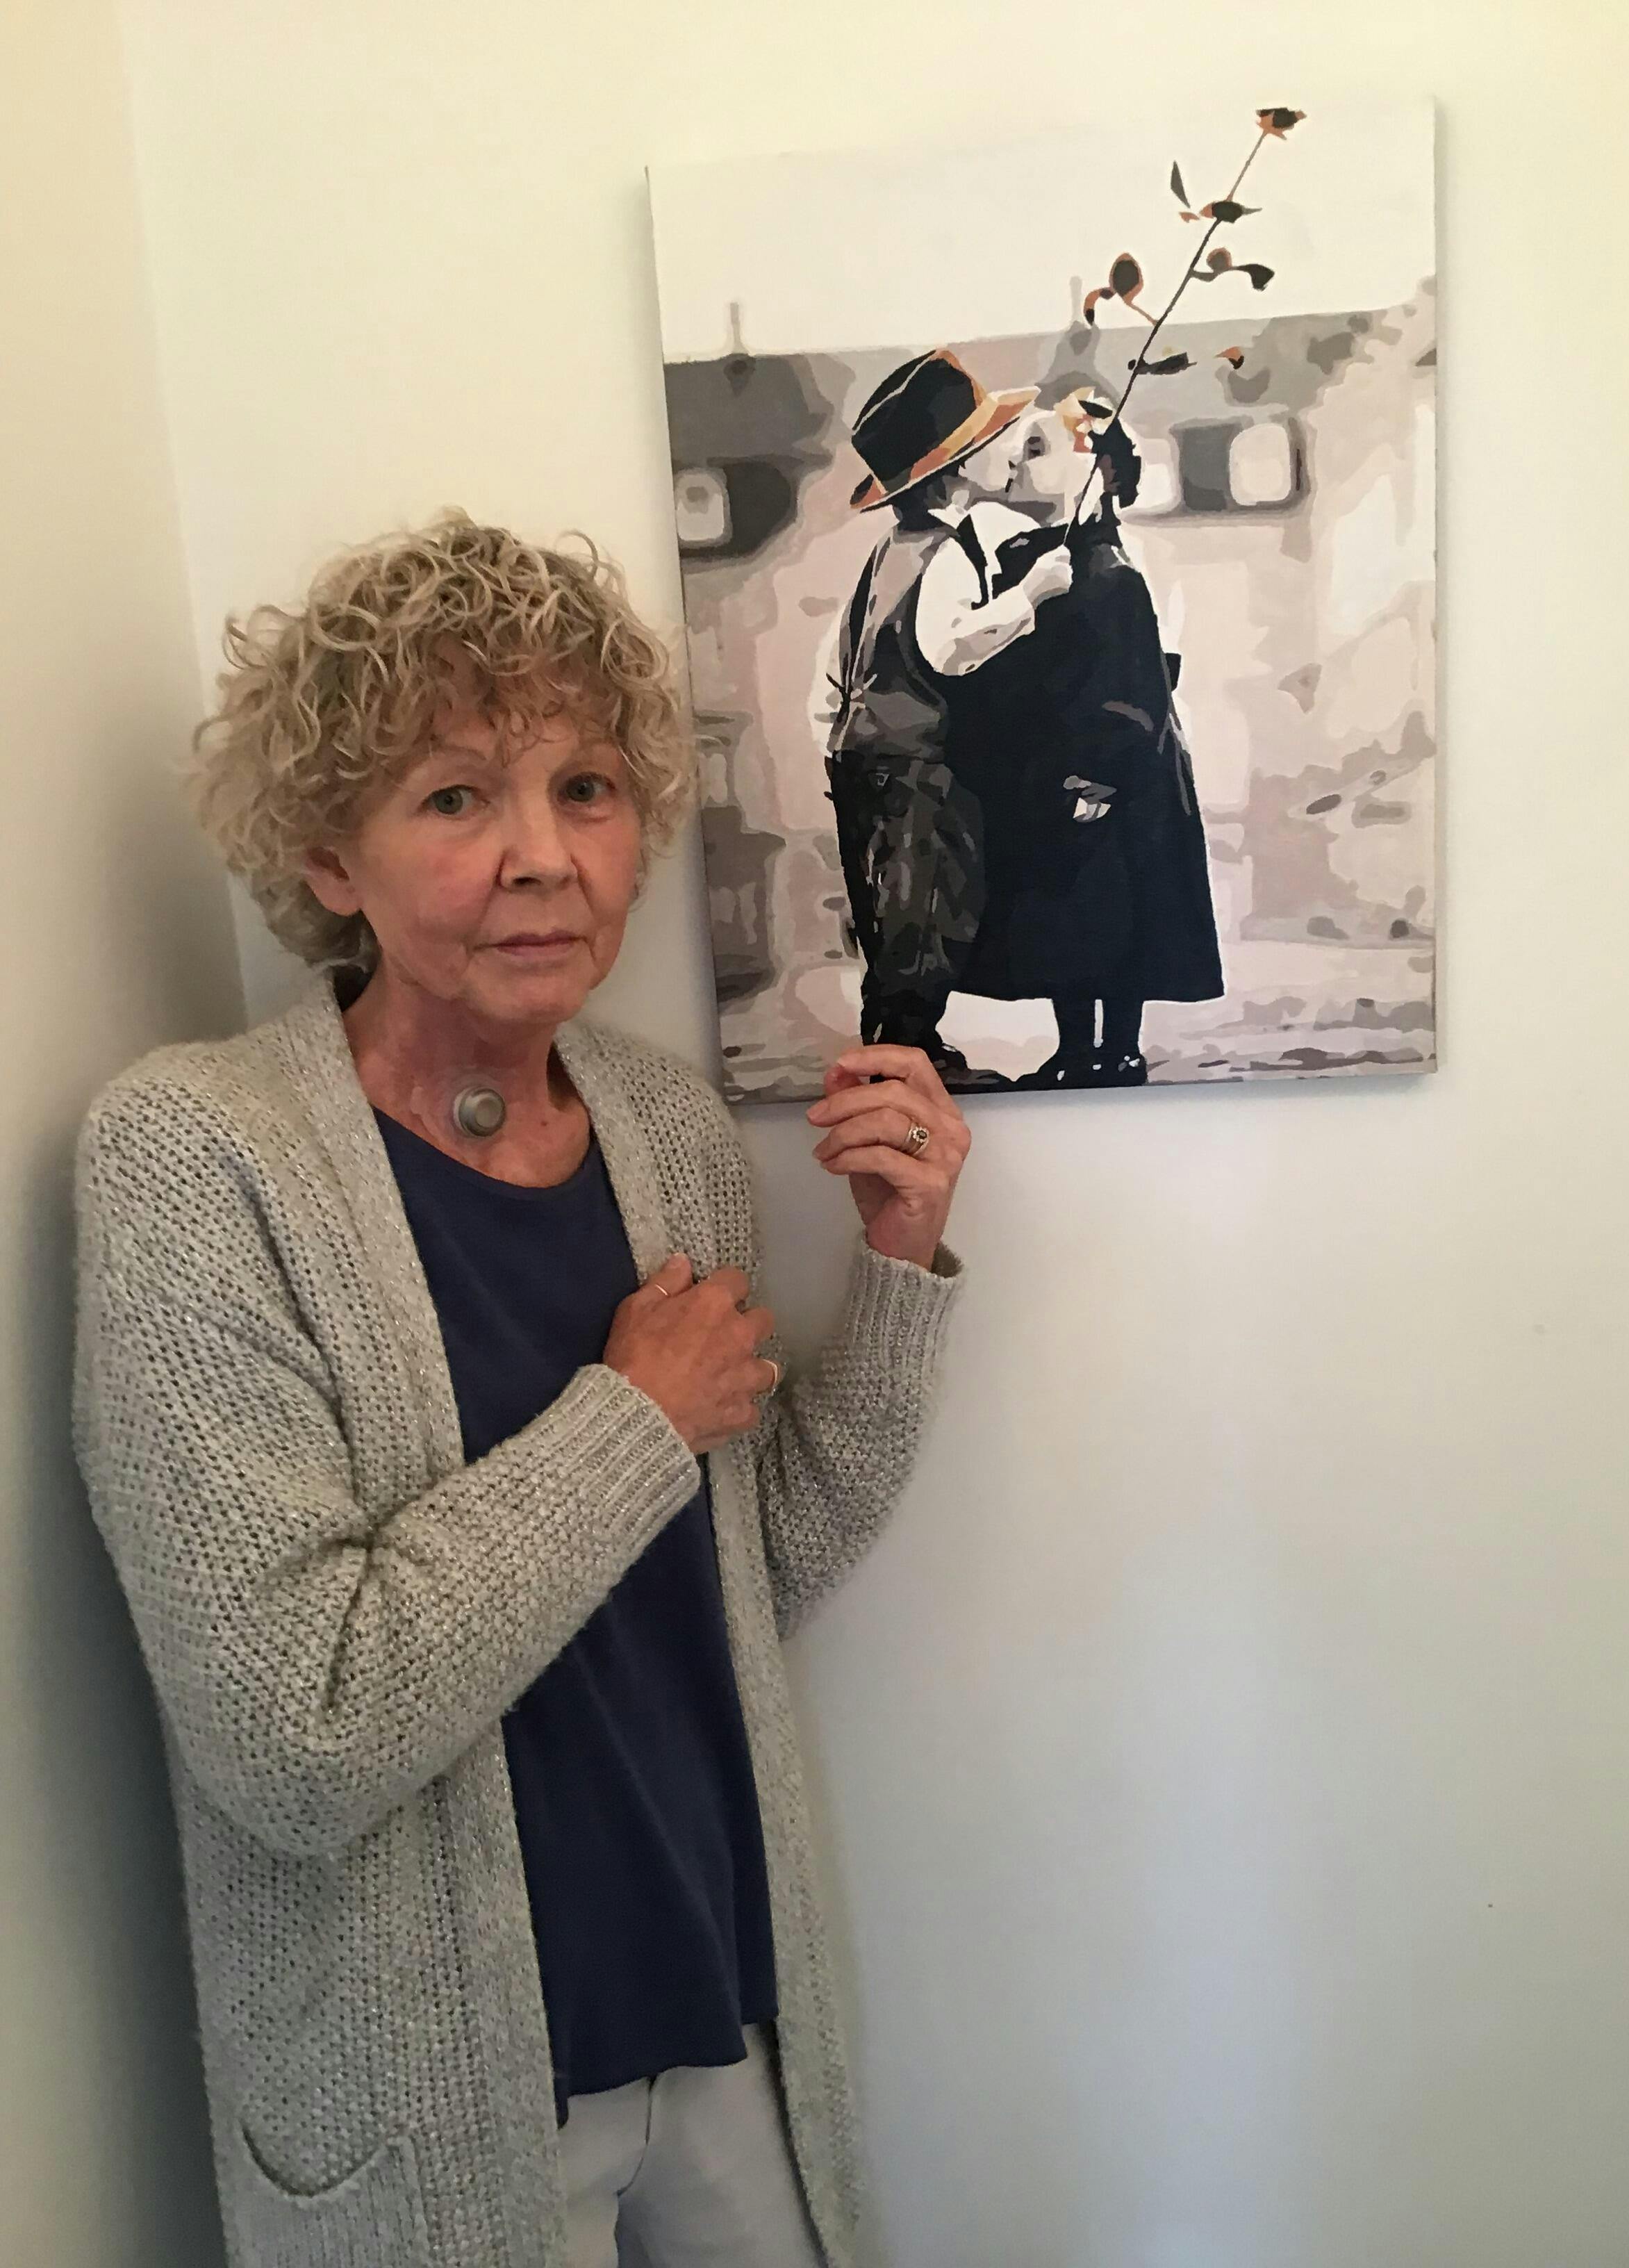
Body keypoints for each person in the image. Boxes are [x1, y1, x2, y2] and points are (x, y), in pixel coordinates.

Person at [71, 511, 972, 2268]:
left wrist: (897, 1262)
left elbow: (750, 1565)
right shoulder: (197, 1156)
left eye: (584, 789)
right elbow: (296, 1729)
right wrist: (632, 1419)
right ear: (330, 857)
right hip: (433, 2082)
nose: (542, 858)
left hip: (716, 1999)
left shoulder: (666, 1134)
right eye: (454, 798)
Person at [816, 348, 1075, 1085]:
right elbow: (949, 649)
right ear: (956, 470)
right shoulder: (946, 551)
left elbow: (839, 665)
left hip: (864, 756)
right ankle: (910, 1056)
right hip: (916, 763)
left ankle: (901, 1046)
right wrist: (1032, 594)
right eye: (990, 440)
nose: (1010, 449)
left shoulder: (888, 551)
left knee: (889, 910)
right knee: (927, 909)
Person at [952, 392, 1225, 1087]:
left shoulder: (1109, 573)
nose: (1019, 462)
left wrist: (1097, 777)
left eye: (1039, 449)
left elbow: (1131, 688)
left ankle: (1119, 1048)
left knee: (1116, 913)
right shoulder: (1035, 562)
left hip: (1111, 777)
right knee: (1067, 920)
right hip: (1054, 770)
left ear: (1096, 472)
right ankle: (1075, 1049)